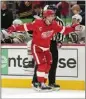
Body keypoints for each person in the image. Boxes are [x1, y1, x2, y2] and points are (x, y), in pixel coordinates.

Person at [8, 9, 79, 91]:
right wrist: (13, 28)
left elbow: (64, 30)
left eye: (53, 16)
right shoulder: (38, 23)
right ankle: (39, 83)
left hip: (46, 48)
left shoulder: (54, 24)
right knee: (42, 65)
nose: (53, 17)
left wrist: (73, 28)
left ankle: (43, 83)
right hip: (37, 47)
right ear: (45, 17)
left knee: (48, 65)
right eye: (50, 16)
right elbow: (25, 27)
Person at [32, 5, 64, 90]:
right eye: (50, 11)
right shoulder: (40, 20)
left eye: (53, 11)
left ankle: (51, 82)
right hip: (43, 43)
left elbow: (62, 31)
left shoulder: (59, 21)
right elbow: (34, 29)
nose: (52, 13)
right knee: (40, 63)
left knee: (52, 63)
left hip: (53, 43)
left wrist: (60, 41)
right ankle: (36, 81)